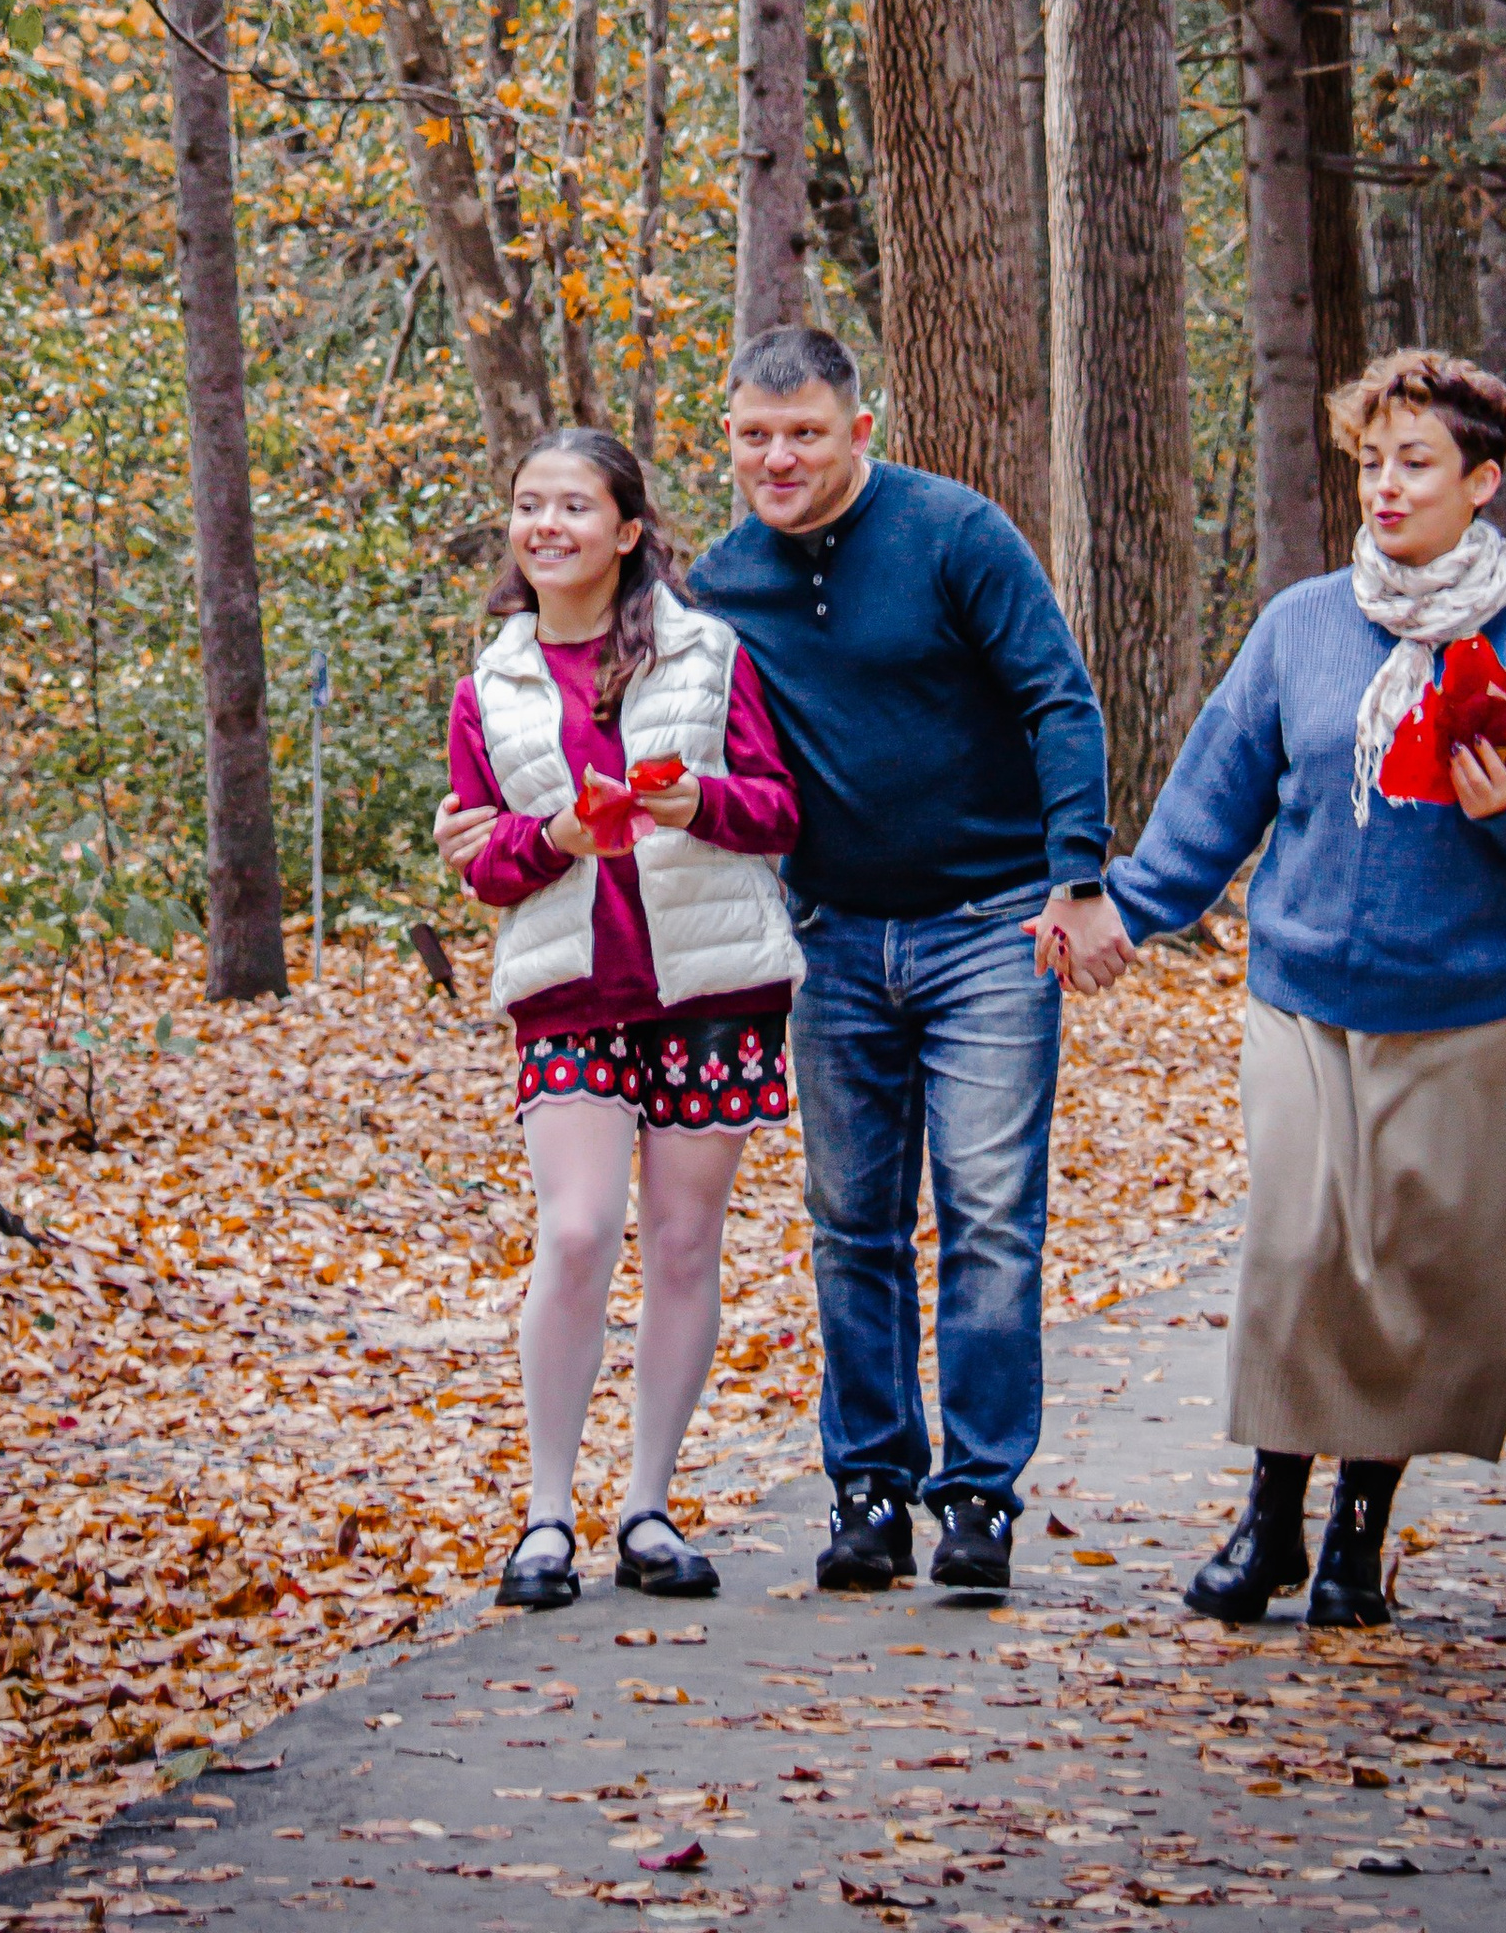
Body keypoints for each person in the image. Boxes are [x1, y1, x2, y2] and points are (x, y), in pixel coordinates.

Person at [1107, 346, 1506, 1629]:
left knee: (1411, 1272)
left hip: (1465, 1007)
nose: (1385, 489)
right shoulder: (1300, 625)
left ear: (1482, 483)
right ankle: (1268, 1522)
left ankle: (1357, 1537)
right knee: (1296, 1251)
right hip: (1302, 991)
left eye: (1415, 464)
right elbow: (1215, 794)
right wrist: (1124, 913)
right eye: (1369, 464)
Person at [684, 325, 1129, 1596]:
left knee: (989, 1216)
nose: (778, 457)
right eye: (755, 435)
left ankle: (977, 1499)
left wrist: (1076, 875)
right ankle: (869, 1487)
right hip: (830, 939)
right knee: (852, 1225)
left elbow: (1057, 697)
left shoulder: (955, 535)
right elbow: (646, 721)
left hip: (990, 928)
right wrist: (498, 801)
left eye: (805, 432)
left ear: (859, 432)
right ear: (730, 436)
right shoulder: (722, 586)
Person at [440, 426, 803, 1613]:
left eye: (575, 507)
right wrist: (546, 837)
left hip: (709, 992)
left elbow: (775, 810)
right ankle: (547, 1515)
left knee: (686, 1247)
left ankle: (647, 1505)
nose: (548, 526)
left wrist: (695, 800)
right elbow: (481, 859)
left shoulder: (706, 653)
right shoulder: (490, 685)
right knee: (582, 1231)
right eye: (529, 505)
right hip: (570, 995)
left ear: (628, 530)